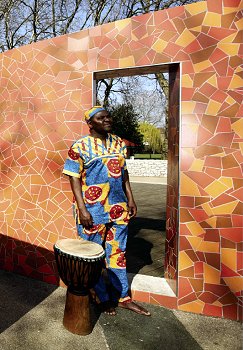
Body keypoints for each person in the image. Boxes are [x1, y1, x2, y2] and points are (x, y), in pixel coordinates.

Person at [63, 105, 151, 316]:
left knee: (118, 254)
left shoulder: (119, 142)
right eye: (101, 118)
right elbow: (73, 178)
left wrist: (131, 199)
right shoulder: (80, 146)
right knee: (93, 256)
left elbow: (124, 173)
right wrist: (82, 209)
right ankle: (100, 296)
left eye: (108, 116)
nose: (107, 120)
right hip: (92, 212)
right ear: (90, 123)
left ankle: (123, 297)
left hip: (118, 210)